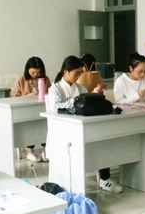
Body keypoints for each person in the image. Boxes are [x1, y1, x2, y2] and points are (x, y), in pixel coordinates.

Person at [48, 55, 122, 193]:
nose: (78, 76)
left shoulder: (80, 88)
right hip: (64, 131)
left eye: (80, 73)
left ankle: (105, 179)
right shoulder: (55, 89)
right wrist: (76, 100)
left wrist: (94, 94)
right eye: (76, 73)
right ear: (65, 71)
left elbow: (87, 104)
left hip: (82, 126)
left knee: (101, 142)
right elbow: (56, 108)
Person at [10, 56, 51, 162]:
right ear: (27, 70)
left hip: (41, 109)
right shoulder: (21, 80)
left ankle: (46, 149)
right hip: (25, 111)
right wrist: (26, 96)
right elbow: (13, 96)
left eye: (38, 72)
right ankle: (29, 151)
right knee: (30, 125)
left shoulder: (45, 79)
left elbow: (51, 93)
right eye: (33, 72)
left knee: (45, 124)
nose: (35, 75)